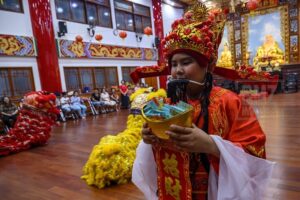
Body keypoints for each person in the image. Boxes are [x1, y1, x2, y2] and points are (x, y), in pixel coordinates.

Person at [132, 2, 274, 200]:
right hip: (175, 188)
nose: (178, 70)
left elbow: (255, 153)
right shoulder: (166, 104)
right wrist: (149, 139)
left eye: (186, 62)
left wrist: (211, 145)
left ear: (205, 67)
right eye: (173, 64)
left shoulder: (230, 102)